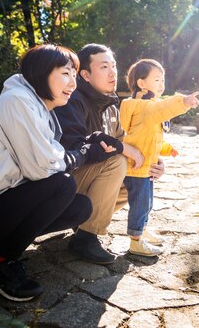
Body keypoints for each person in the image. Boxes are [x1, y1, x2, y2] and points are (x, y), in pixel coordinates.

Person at [0, 44, 123, 302]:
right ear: (41, 74)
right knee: (61, 185)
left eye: (74, 76)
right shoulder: (16, 102)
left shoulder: (39, 108)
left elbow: (52, 154)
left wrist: (87, 145)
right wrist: (86, 152)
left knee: (80, 207)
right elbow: (43, 167)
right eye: (65, 73)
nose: (72, 83)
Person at [55, 43, 166, 264]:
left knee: (137, 176)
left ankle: (85, 222)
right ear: (85, 75)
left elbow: (128, 143)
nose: (113, 72)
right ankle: (86, 238)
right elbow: (75, 150)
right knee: (116, 161)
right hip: (62, 184)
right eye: (104, 67)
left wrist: (154, 161)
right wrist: (123, 149)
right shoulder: (72, 101)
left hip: (85, 183)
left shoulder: (110, 107)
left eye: (113, 66)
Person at [120, 59, 199, 256]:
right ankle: (136, 241)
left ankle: (143, 230)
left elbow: (151, 138)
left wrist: (167, 148)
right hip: (137, 167)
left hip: (145, 166)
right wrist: (183, 101)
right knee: (140, 204)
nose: (161, 84)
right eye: (157, 79)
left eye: (163, 79)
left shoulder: (150, 107)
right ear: (141, 83)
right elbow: (163, 108)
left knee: (147, 203)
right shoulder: (143, 107)